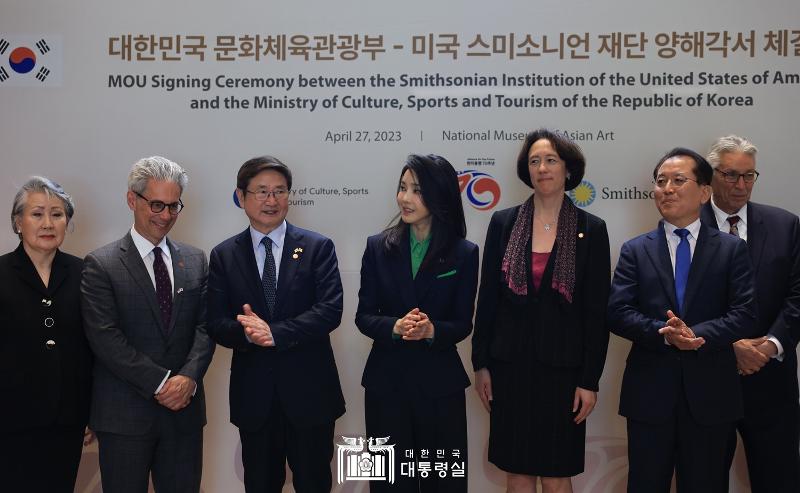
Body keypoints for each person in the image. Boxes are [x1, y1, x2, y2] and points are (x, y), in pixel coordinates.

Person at [608, 147, 757, 493]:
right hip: (649, 396)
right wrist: (664, 334)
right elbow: (618, 312)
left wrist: (695, 334)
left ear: (704, 192)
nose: (667, 189)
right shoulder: (635, 249)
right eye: (661, 182)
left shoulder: (731, 249)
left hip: (711, 397)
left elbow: (745, 313)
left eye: (678, 180)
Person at [472, 129, 611, 493]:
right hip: (509, 368)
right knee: (516, 472)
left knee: (555, 474)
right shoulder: (504, 223)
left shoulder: (590, 229)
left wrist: (589, 380)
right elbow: (487, 298)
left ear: (568, 170)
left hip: (563, 374)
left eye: (551, 160)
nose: (542, 168)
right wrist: (481, 364)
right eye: (534, 161)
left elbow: (596, 314)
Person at [207, 155, 345, 493]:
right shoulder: (224, 255)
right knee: (260, 484)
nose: (272, 201)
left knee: (314, 483)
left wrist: (275, 333)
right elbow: (214, 321)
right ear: (241, 197)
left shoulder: (317, 247)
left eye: (280, 191)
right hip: (255, 398)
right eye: (262, 192)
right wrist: (249, 334)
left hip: (310, 395)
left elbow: (331, 310)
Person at [81, 156, 214, 493]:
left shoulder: (196, 259)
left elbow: (206, 326)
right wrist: (163, 383)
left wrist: (187, 379)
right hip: (124, 417)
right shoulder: (101, 264)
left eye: (173, 206)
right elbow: (105, 339)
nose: (166, 216)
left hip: (183, 415)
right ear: (132, 200)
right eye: (156, 204)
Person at [356, 154, 478, 492]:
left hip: (440, 386)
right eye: (402, 188)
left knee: (444, 484)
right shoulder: (378, 247)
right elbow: (364, 316)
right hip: (386, 385)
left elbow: (462, 323)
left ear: (440, 195)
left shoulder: (464, 253)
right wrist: (395, 327)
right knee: (388, 485)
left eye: (417, 190)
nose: (405, 198)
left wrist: (432, 330)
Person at [699, 135, 800, 492]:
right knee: (704, 480)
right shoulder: (685, 228)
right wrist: (731, 347)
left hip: (771, 381)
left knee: (779, 479)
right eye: (730, 175)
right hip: (707, 381)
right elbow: (679, 303)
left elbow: (797, 297)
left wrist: (770, 345)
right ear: (710, 176)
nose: (741, 185)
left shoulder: (785, 225)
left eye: (749, 176)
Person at [0, 176, 92, 492]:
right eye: (37, 213)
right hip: (10, 420)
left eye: (57, 214)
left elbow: (92, 349)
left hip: (67, 420)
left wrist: (91, 411)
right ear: (17, 222)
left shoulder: (85, 274)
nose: (48, 223)